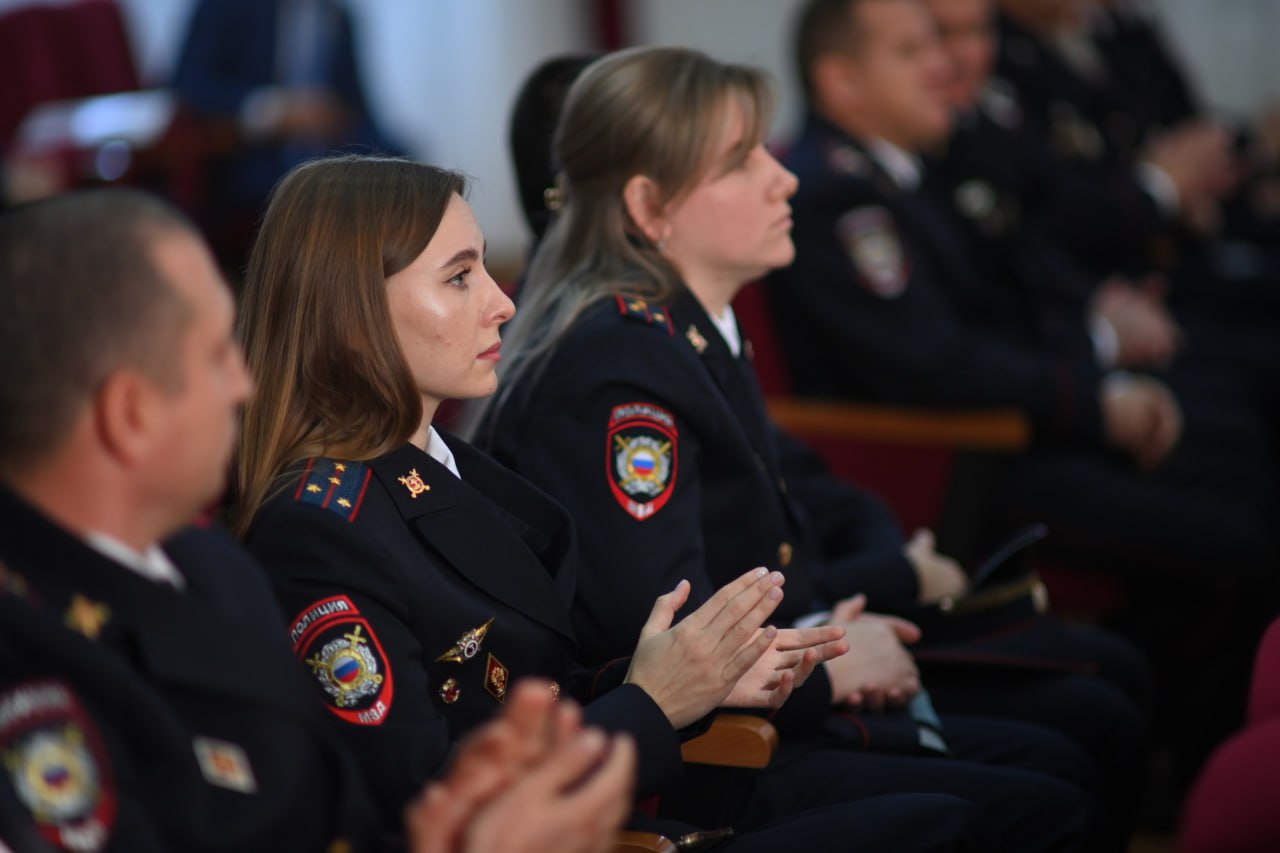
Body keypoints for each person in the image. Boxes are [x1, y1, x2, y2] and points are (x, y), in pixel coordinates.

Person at [473, 44, 1152, 851]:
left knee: (1072, 746)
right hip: (723, 764)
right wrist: (832, 663)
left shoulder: (679, 331)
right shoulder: (616, 374)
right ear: (649, 208)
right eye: (740, 162)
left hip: (780, 693)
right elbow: (667, 632)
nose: (784, 176)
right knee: (1052, 791)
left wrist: (850, 610)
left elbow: (800, 496)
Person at [230, 155, 993, 852]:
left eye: (486, 269)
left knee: (986, 806)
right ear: (355, 318)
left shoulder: (438, 461)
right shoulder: (318, 526)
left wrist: (700, 673)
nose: (502, 303)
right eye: (460, 277)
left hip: (618, 797)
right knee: (973, 819)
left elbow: (535, 687)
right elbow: (425, 802)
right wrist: (654, 700)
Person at [0, 188, 641, 853]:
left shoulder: (212, 570)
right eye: (217, 353)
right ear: (129, 413)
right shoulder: (29, 678)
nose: (244, 383)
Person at [763, 0, 1276, 785]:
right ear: (843, 81)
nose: (944, 65)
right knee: (1238, 537)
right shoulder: (839, 197)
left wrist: (1100, 365)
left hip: (1015, 430)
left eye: (941, 42)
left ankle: (1189, 750)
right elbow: (935, 366)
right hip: (958, 471)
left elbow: (1017, 300)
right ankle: (1201, 775)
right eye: (912, 50)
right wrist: (1094, 400)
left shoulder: (918, 165)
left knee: (1244, 453)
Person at [172, 0, 400, 266]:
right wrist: (275, 112)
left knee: (403, 173)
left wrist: (399, 166)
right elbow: (189, 85)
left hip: (326, 164)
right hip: (249, 162)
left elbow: (358, 110)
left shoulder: (338, 16)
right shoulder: (225, 7)